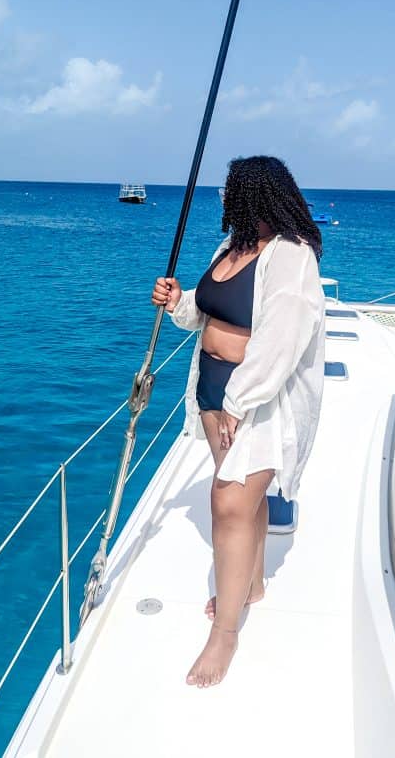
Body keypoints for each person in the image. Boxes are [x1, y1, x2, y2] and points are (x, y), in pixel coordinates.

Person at [150, 155, 326, 689]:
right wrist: (177, 301)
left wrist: (239, 400)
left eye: (230, 191)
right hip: (210, 388)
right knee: (243, 503)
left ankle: (224, 635)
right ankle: (250, 586)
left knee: (226, 501)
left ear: (256, 194)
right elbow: (206, 315)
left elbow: (281, 341)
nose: (223, 199)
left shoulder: (290, 256)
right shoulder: (231, 248)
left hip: (253, 400)